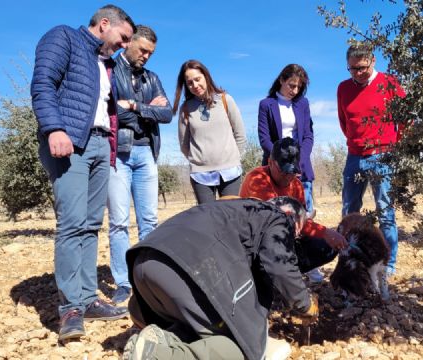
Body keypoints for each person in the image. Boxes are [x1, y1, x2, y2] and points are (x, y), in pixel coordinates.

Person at [31, 5, 135, 341]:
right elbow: (43, 83)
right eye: (123, 38)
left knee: (92, 225)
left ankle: (89, 299)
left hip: (101, 144)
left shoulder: (108, 63)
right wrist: (53, 128)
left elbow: (105, 107)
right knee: (73, 224)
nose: (124, 45)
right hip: (70, 141)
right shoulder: (63, 37)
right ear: (105, 24)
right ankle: (70, 308)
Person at [122, 197, 319, 360]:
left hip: (142, 264)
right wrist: (304, 304)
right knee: (243, 348)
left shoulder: (231, 209)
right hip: (183, 271)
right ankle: (158, 355)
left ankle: (155, 332)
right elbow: (279, 265)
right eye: (297, 233)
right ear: (293, 219)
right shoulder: (276, 216)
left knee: (204, 328)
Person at [107, 25, 173, 305]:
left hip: (147, 153)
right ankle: (123, 282)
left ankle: (147, 277)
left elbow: (167, 113)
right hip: (119, 153)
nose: (146, 56)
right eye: (143, 50)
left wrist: (134, 106)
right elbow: (112, 112)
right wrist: (147, 110)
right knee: (119, 222)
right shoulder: (110, 70)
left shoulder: (152, 78)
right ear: (128, 43)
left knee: (150, 221)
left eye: (151, 53)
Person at [337, 44, 406, 275]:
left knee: (385, 212)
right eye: (352, 69)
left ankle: (389, 264)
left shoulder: (389, 83)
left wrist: (394, 143)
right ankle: (350, 258)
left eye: (362, 68)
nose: (358, 73)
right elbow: (344, 122)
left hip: (383, 155)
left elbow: (405, 116)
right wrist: (356, 142)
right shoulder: (343, 88)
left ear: (373, 61)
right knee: (349, 211)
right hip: (355, 156)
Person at [240, 138, 347, 283]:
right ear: (270, 162)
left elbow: (302, 220)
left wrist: (321, 233)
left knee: (327, 246)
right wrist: (324, 231)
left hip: (285, 239)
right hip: (257, 243)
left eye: (292, 172)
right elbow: (273, 219)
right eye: (284, 171)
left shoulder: (296, 185)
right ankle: (265, 278)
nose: (288, 177)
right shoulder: (257, 179)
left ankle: (285, 276)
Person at [173, 60, 246, 204]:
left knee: (231, 217)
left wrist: (233, 158)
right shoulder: (186, 109)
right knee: (207, 219)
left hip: (230, 171)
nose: (195, 85)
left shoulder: (225, 100)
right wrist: (199, 160)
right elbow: (184, 144)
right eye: (190, 83)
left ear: (206, 76)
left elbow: (240, 134)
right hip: (200, 174)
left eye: (197, 79)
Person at [258, 64, 315, 218]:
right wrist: (281, 162)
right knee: (275, 217)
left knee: (305, 218)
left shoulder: (303, 103)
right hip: (275, 169)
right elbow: (264, 139)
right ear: (282, 80)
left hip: (301, 168)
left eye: (299, 87)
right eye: (292, 85)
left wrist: (299, 160)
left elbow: (308, 135)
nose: (295, 91)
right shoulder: (266, 105)